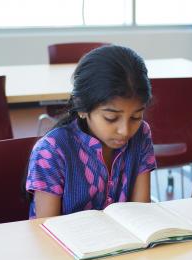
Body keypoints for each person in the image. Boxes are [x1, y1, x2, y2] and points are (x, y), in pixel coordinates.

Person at [26, 45, 156, 218]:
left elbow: (141, 211)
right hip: (64, 243)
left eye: (136, 117)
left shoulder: (141, 134)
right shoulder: (52, 150)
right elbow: (47, 227)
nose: (125, 131)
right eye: (111, 118)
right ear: (82, 107)